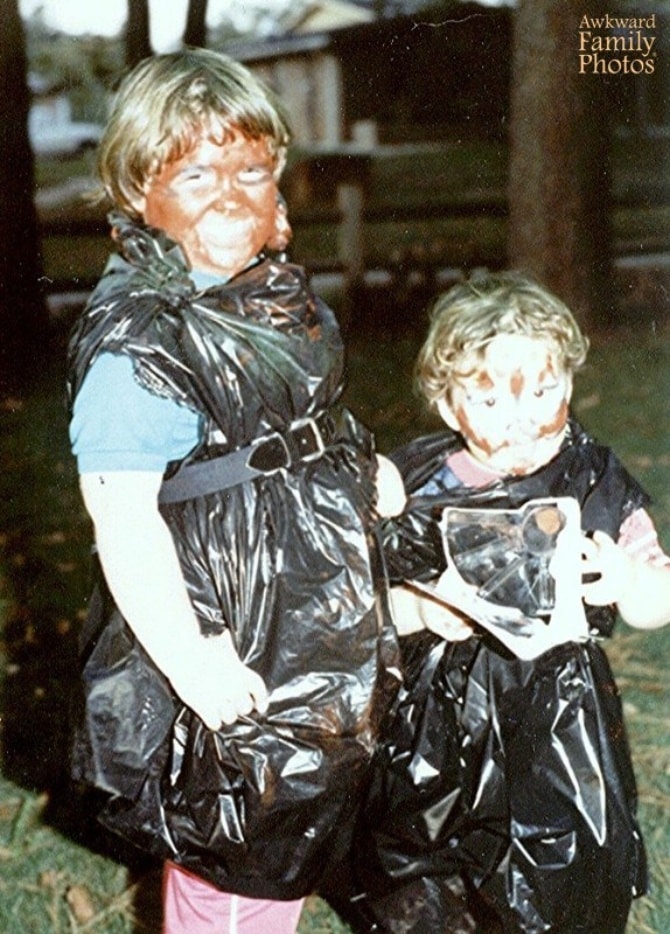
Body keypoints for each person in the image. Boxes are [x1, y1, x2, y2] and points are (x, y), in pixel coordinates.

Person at [67, 49, 404, 934]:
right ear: (138, 189)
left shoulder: (262, 293)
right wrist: (191, 658)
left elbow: (297, 412)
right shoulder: (140, 346)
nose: (230, 194)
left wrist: (359, 468)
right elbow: (124, 519)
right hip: (226, 620)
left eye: (252, 170)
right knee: (236, 837)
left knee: (291, 824)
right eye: (196, 172)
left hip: (305, 605)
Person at [350, 272, 670, 933]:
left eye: (543, 390)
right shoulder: (417, 480)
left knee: (561, 872)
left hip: (555, 721)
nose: (522, 417)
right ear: (446, 405)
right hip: (432, 716)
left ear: (570, 384)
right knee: (424, 864)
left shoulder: (591, 479)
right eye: (489, 400)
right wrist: (416, 610)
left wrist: (624, 579)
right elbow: (354, 600)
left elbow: (656, 600)